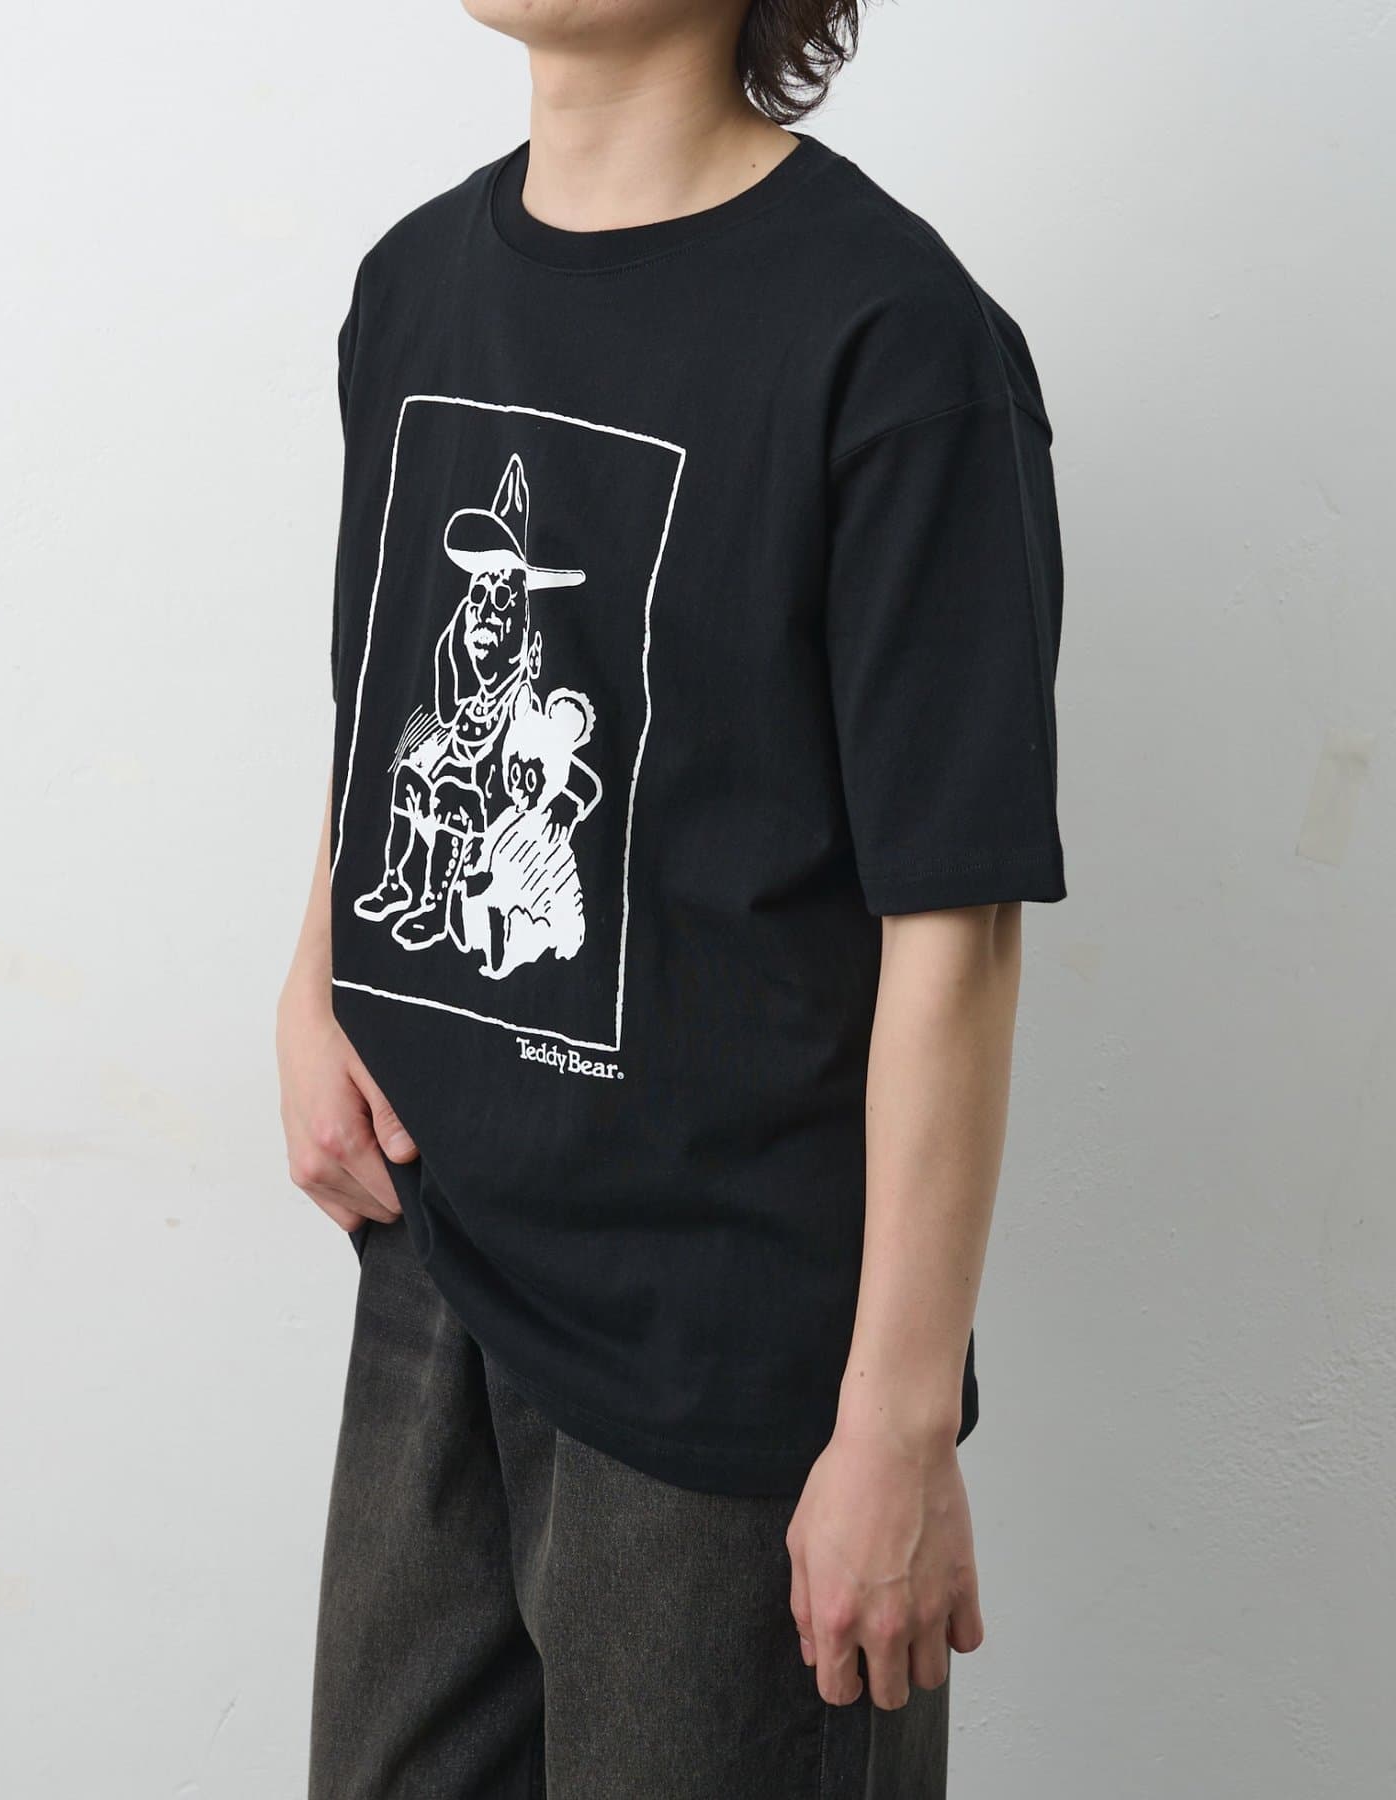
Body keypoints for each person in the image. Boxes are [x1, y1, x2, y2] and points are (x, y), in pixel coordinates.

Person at [277, 1, 1068, 1793]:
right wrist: (314, 976)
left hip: (727, 1371)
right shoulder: (413, 287)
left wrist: (896, 1425)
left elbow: (954, 921)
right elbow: (384, 705)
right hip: (436, 1264)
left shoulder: (896, 340)